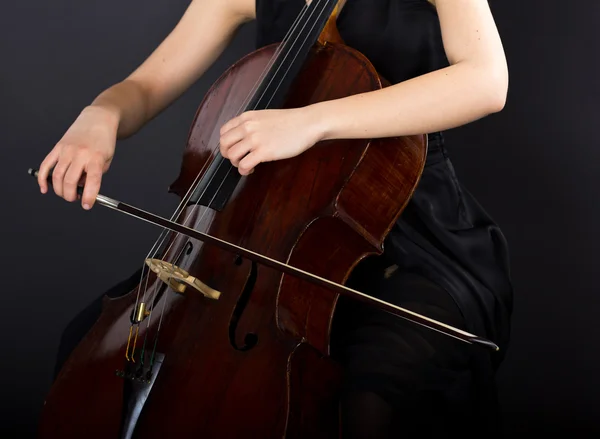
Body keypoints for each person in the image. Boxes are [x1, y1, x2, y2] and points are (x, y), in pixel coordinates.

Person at [37, 0, 513, 437]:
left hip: (404, 232)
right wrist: (101, 114)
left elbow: (485, 82)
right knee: (88, 347)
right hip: (267, 228)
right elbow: (143, 86)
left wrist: (314, 121)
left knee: (373, 404)